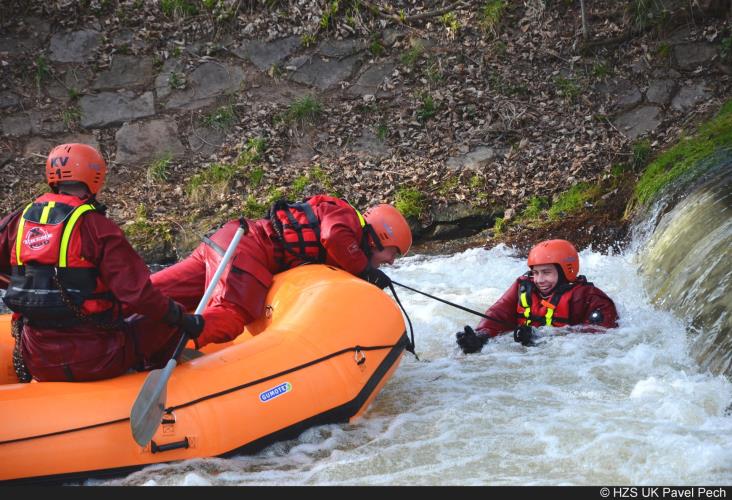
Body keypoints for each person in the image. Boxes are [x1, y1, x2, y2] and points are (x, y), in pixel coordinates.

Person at [0, 143, 203, 382]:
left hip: (37, 358)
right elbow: (140, 296)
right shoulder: (98, 228)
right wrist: (182, 319)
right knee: (168, 320)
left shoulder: (18, 221)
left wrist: (31, 288)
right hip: (98, 357)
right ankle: (154, 380)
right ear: (95, 178)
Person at [141, 195, 412, 349]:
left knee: (152, 292)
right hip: (246, 250)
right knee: (233, 316)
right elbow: (332, 236)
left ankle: (110, 313)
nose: (390, 261)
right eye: (393, 253)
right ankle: (158, 345)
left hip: (228, 239)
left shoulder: (344, 220)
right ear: (378, 238)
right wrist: (365, 271)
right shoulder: (346, 217)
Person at [456, 239, 618, 353]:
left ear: (566, 271)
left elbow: (601, 339)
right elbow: (498, 313)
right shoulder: (523, 286)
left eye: (546, 272)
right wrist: (481, 336)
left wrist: (543, 337)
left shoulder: (591, 298)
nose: (539, 280)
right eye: (535, 273)